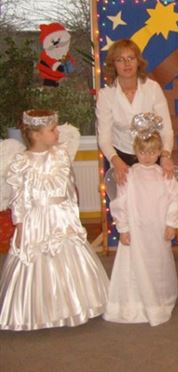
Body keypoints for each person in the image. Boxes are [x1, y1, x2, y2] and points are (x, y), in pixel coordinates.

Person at [0, 110, 109, 330]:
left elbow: (69, 190)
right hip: (36, 220)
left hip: (61, 217)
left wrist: (73, 217)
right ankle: (40, 311)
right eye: (52, 130)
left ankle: (74, 305)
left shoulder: (61, 155)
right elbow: (19, 198)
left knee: (69, 258)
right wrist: (20, 226)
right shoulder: (22, 162)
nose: (57, 132)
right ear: (36, 135)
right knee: (37, 262)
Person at [104, 113, 178, 326]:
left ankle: (159, 299)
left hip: (157, 229)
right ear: (135, 151)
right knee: (133, 264)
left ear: (159, 152)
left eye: (152, 152)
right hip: (136, 230)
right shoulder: (129, 175)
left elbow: (174, 199)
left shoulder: (164, 175)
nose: (147, 156)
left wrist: (171, 224)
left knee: (157, 264)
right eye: (142, 152)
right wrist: (123, 228)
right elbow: (120, 203)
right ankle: (134, 302)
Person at [96, 39, 175, 185]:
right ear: (113, 65)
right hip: (120, 158)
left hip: (153, 156)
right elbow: (104, 138)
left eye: (131, 58)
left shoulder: (153, 89)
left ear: (138, 61)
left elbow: (166, 129)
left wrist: (165, 155)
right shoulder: (106, 95)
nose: (127, 64)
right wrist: (116, 161)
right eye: (120, 60)